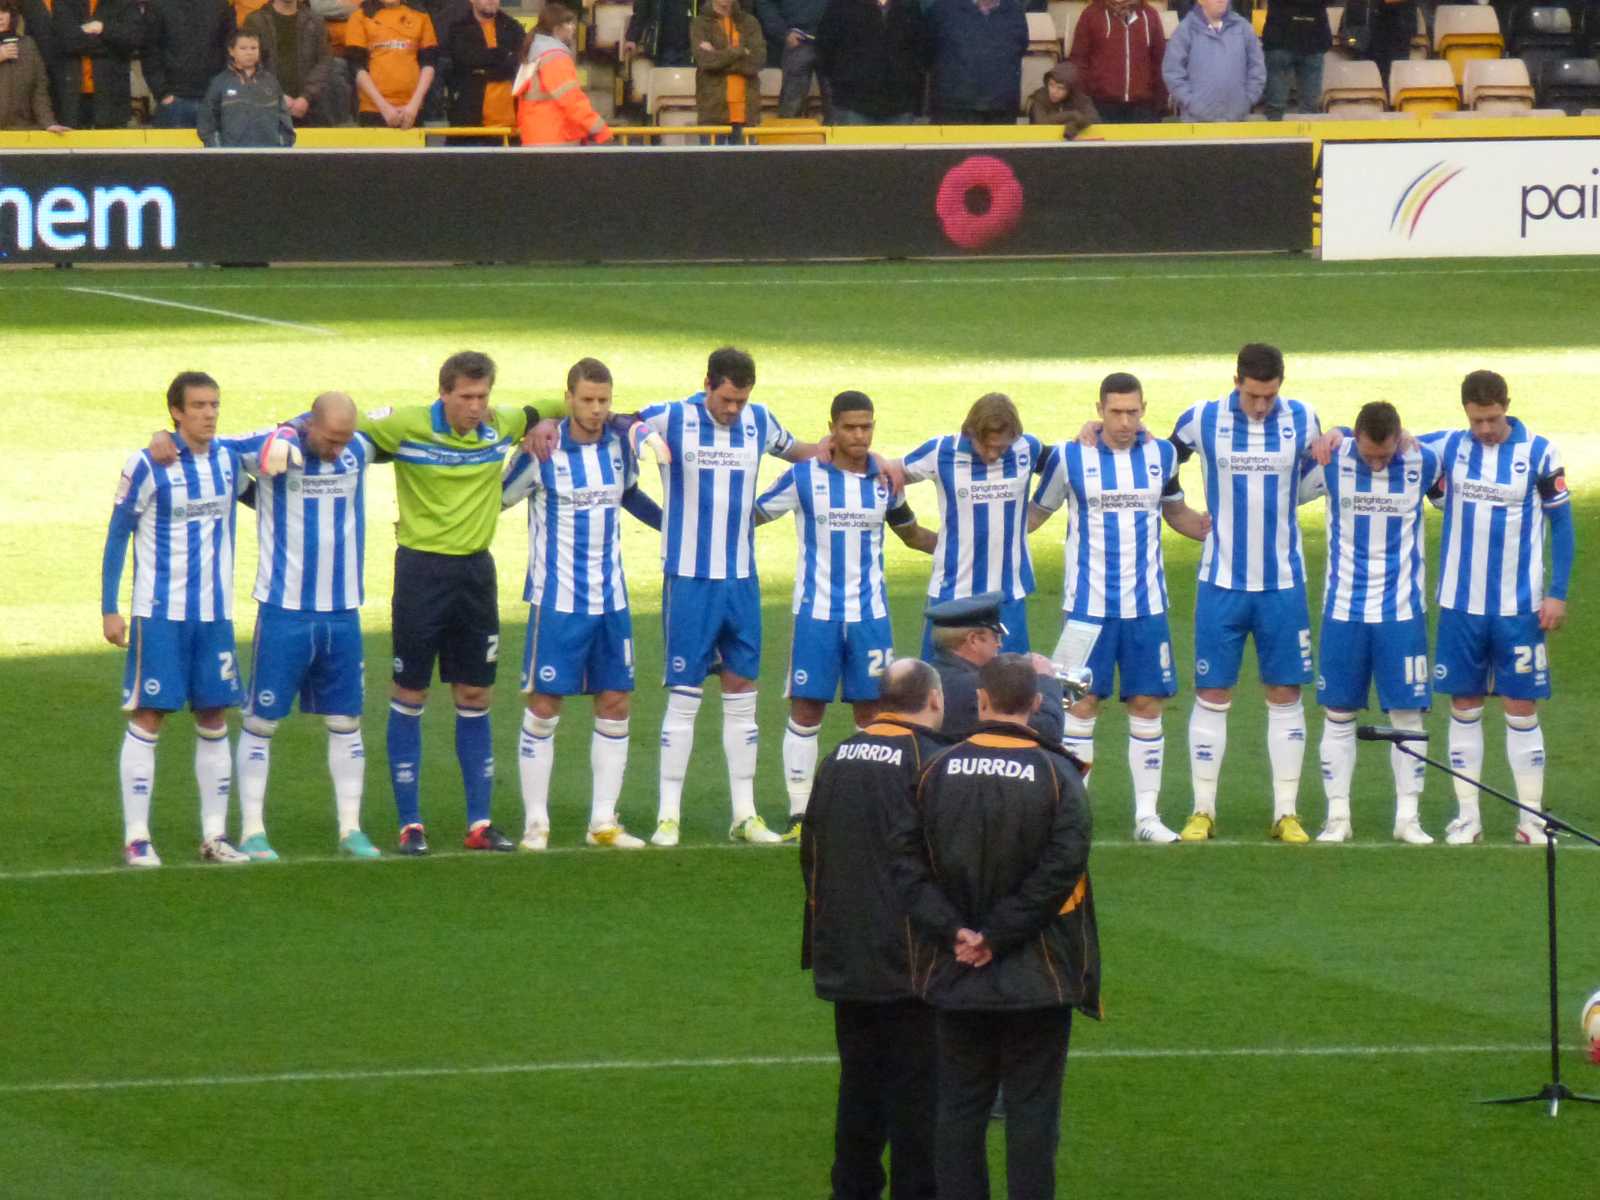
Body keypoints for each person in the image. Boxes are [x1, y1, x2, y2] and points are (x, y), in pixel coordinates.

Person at [894, 654, 1100, 1200]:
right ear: (1035, 704)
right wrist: (998, 937)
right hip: (1039, 973)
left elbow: (906, 864)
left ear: (979, 700)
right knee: (1033, 1115)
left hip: (955, 970)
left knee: (959, 1108)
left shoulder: (936, 769)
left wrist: (957, 933)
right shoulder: (1059, 775)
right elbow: (1062, 870)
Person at [636, 347, 826, 848]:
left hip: (742, 580)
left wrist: (837, 450)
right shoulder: (672, 416)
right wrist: (636, 434)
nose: (732, 410)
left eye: (740, 401)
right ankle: (667, 815)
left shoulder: (759, 421)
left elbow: (797, 450)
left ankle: (744, 814)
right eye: (725, 399)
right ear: (707, 384)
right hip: (689, 578)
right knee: (684, 695)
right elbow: (619, 422)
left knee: (743, 695)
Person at [361, 352, 550, 855]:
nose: (475, 407)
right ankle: (410, 825)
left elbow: (557, 403)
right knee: (410, 691)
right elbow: (334, 421)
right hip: (421, 572)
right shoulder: (406, 423)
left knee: (475, 695)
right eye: (465, 397)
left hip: (475, 575)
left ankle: (479, 825)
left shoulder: (500, 424)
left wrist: (546, 422)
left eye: (482, 396)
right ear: (443, 393)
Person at [101, 373, 275, 868]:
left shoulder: (227, 457)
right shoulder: (147, 463)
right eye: (198, 405)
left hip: (214, 616)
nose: (209, 413)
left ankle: (215, 836)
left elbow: (295, 426)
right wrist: (109, 608)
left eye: (215, 404)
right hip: (159, 615)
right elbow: (118, 535)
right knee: (150, 716)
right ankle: (137, 837)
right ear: (176, 412)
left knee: (215, 717)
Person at [1030, 373, 1210, 843]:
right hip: (1085, 609)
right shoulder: (1071, 457)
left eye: (1134, 412)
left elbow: (1176, 512)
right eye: (1116, 412)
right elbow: (1035, 515)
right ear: (1100, 409)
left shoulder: (1162, 455)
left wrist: (1223, 531)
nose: (1126, 421)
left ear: (1144, 409)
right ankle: (1074, 817)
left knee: (1147, 704)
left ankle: (1147, 817)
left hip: (1146, 608)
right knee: (1080, 706)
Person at [753, 390, 937, 840]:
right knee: (806, 707)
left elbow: (911, 534)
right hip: (816, 614)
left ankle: (871, 807)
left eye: (866, 427)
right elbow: (751, 515)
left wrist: (962, 549)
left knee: (875, 713)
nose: (858, 435)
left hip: (870, 615)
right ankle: (800, 814)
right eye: (850, 427)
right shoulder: (803, 478)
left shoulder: (884, 481)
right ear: (832, 427)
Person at [499, 359, 664, 852]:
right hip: (557, 603)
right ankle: (536, 824)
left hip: (611, 601)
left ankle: (602, 823)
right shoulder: (542, 452)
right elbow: (497, 499)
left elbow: (630, 494)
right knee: (545, 706)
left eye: (603, 400)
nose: (596, 410)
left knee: (615, 704)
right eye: (587, 400)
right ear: (568, 397)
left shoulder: (618, 446)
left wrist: (673, 528)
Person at [802, 658, 945, 1200]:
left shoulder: (837, 757)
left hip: (843, 953)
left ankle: (851, 1191)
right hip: (911, 959)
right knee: (917, 1096)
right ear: (933, 700)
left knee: (858, 1087)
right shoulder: (930, 760)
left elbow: (812, 853)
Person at [1170, 344, 1320, 843]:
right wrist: (1183, 517)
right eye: (1254, 395)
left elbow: (1328, 461)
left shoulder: (1302, 418)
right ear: (1236, 381)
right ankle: (1202, 811)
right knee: (1213, 693)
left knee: (1285, 693)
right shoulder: (1201, 419)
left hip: (1282, 583)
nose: (1262, 406)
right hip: (1222, 583)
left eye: (1270, 396)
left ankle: (1286, 812)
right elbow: (1157, 462)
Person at [1418, 371, 1574, 845]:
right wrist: (1336, 434)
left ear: (1507, 406)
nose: (1485, 428)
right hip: (1461, 605)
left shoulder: (1540, 453)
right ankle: (1469, 818)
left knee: (1521, 708)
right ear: (1464, 411)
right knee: (1463, 706)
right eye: (1476, 419)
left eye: (1492, 418)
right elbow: (1393, 439)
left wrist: (1557, 592)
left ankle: (1530, 820)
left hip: (1519, 607)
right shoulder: (1447, 446)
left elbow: (1563, 526)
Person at [228, 394, 382, 861]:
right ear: (312, 424)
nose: (337, 449)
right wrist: (286, 430)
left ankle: (350, 830)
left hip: (342, 611)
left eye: (344, 440)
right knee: (261, 721)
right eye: (330, 439)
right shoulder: (280, 448)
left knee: (346, 720)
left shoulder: (360, 448)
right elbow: (221, 450)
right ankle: (253, 831)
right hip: (284, 609)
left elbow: (402, 431)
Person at [1298, 401, 1443, 844]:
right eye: (1369, 456)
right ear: (1355, 438)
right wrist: (1330, 434)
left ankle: (1408, 817)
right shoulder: (1334, 456)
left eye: (1385, 455)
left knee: (1407, 715)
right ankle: (1337, 817)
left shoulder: (1425, 457)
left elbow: (1466, 450)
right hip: (1344, 611)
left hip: (1401, 613)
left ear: (1400, 438)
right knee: (1338, 713)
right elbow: (1285, 467)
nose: (1377, 463)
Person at [895, 392, 1046, 657]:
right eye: (985, 445)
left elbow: (1070, 463)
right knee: (942, 688)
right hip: (953, 594)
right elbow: (890, 472)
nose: (992, 454)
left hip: (1007, 595)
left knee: (1010, 690)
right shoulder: (941, 452)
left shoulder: (1027, 448)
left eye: (1001, 448)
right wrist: (910, 530)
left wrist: (1091, 429)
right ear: (970, 432)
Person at [924, 592, 1065, 745]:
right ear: (974, 640)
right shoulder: (981, 686)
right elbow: (1049, 731)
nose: (1000, 645)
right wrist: (1045, 679)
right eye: (996, 636)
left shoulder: (923, 677)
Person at [512, 1, 612, 145]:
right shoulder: (555, 57)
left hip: (537, 136)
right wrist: (599, 129)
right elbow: (572, 100)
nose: (573, 28)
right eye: (568, 24)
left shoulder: (536, 53)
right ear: (557, 28)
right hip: (553, 140)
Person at [814, 0, 928, 124]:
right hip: (853, 104)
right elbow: (825, 47)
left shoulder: (909, 6)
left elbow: (921, 49)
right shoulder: (842, 5)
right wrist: (843, 79)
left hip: (901, 104)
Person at [244, 0, 352, 127]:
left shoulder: (316, 21)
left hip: (312, 110)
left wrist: (306, 97)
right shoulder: (256, 21)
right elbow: (250, 63)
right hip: (267, 110)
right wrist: (277, 95)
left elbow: (325, 61)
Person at [925, 0, 1028, 124]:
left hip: (1000, 111)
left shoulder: (1015, 11)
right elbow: (926, 51)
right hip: (952, 110)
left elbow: (1020, 48)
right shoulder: (942, 9)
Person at [1161, 0, 1264, 122]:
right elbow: (1172, 72)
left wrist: (1247, 100)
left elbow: (1257, 68)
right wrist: (1190, 102)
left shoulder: (1244, 28)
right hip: (1195, 123)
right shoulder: (1185, 30)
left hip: (1237, 121)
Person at [1066, 0, 1167, 123]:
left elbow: (1160, 61)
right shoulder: (1091, 14)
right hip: (1100, 106)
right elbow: (1079, 61)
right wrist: (1084, 103)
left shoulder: (1150, 15)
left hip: (1143, 107)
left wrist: (1159, 104)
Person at [51, 0, 143, 129]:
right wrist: (112, 46)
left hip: (112, 94)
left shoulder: (125, 3)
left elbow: (134, 39)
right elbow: (67, 42)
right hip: (73, 95)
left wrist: (103, 28)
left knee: (111, 146)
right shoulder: (64, 3)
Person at [344, 0, 436, 128]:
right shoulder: (360, 16)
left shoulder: (420, 15)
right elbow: (356, 67)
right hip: (373, 109)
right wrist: (384, 107)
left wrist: (414, 106)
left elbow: (429, 64)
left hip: (412, 111)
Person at [143, 0, 233, 128]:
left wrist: (222, 89)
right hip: (174, 100)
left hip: (212, 98)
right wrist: (162, 92)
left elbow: (230, 47)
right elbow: (150, 50)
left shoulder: (220, 5)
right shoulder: (159, 5)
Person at [197, 27, 295, 144]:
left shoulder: (271, 81)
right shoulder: (219, 82)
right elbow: (206, 122)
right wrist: (218, 150)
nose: (249, 52)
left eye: (254, 48)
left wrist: (283, 145)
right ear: (231, 51)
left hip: (269, 155)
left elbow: (284, 119)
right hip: (232, 157)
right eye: (243, 48)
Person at [440, 0, 518, 132]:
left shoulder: (513, 27)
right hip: (470, 119)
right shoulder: (458, 28)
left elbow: (519, 60)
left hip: (510, 123)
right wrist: (503, 55)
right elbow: (466, 59)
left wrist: (483, 68)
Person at [690, 0, 764, 139]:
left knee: (746, 161)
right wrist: (740, 52)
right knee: (712, 161)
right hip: (713, 112)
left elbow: (757, 62)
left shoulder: (750, 22)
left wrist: (718, 55)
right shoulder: (700, 23)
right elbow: (706, 61)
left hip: (746, 114)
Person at [0, 0, 66, 129]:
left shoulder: (28, 45)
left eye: (4, 11)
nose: (0, 17)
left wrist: (49, 123)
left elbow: (39, 90)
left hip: (21, 129)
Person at [755, 0, 825, 117]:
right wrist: (783, 32)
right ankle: (787, 132)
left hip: (832, 39)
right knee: (792, 104)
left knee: (838, 107)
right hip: (798, 39)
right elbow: (765, 3)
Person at [1260, 0, 1327, 119]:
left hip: (1279, 37)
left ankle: (1274, 135)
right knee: (1310, 108)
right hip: (1313, 37)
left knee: (1275, 106)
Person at [1025, 59, 1098, 133]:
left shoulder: (1080, 98)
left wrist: (1075, 126)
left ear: (1070, 89)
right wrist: (1071, 115)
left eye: (1060, 88)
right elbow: (1040, 123)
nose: (1053, 91)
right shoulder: (1040, 96)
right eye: (1051, 85)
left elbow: (1094, 119)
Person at [623, 0, 697, 68]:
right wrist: (632, 38)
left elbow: (705, 14)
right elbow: (640, 13)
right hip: (663, 46)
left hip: (691, 47)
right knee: (664, 78)